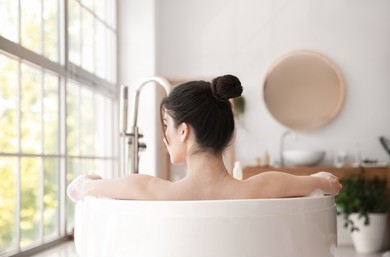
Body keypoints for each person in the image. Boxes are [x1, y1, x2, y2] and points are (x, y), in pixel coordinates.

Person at [67, 74, 341, 202]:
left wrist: (90, 182)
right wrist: (321, 179)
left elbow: (83, 188)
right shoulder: (263, 187)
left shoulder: (151, 191)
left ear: (183, 131)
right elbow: (329, 184)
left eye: (166, 125)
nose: (165, 137)